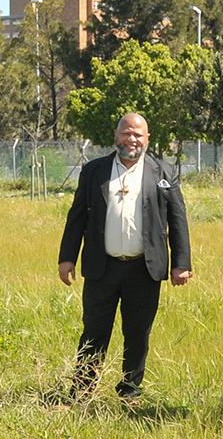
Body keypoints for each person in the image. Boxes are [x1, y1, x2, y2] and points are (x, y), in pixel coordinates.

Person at [59, 112, 193, 401]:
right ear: (116, 135)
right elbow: (77, 216)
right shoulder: (94, 171)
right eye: (126, 132)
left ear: (147, 138)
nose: (131, 139)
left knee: (137, 334)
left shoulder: (164, 173)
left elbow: (178, 220)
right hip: (101, 267)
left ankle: (130, 391)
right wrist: (67, 257)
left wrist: (181, 263)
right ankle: (82, 391)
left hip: (143, 269)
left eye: (137, 134)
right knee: (94, 331)